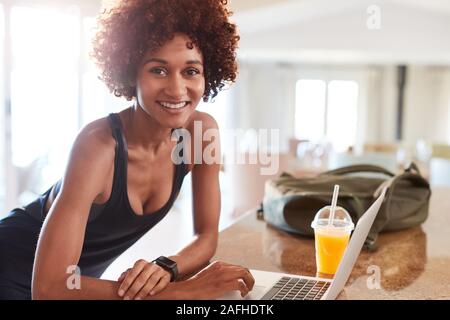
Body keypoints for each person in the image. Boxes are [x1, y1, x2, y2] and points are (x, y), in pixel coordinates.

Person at [0, 0, 255, 300]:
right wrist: (182, 292)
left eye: (191, 71)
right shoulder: (98, 145)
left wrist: (166, 268)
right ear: (129, 73)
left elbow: (206, 237)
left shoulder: (201, 133)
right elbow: (49, 287)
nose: (176, 89)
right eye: (158, 70)